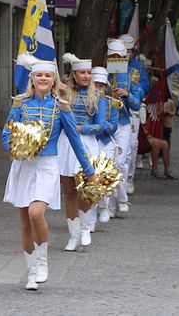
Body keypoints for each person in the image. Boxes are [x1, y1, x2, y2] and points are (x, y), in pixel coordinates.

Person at [3, 55, 96, 291]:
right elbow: (6, 134)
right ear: (32, 79)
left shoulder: (61, 106)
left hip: (47, 166)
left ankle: (43, 261)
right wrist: (16, 146)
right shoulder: (19, 104)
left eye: (47, 75)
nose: (43, 78)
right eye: (38, 75)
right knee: (24, 221)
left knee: (36, 213)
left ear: (53, 79)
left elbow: (75, 141)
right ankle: (31, 272)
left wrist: (89, 170)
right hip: (23, 165)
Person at [57, 54, 106, 250]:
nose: (86, 76)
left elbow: (101, 126)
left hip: (87, 144)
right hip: (65, 145)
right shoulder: (64, 93)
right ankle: (73, 235)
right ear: (73, 74)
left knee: (85, 189)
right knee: (68, 191)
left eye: (88, 73)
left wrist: (79, 129)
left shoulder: (99, 96)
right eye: (82, 73)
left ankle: (86, 228)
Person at [106, 39, 143, 214]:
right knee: (108, 164)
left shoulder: (131, 77)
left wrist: (127, 95)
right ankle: (109, 206)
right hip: (104, 125)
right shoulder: (99, 75)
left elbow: (136, 105)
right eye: (111, 57)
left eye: (118, 57)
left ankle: (121, 199)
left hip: (123, 124)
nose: (115, 60)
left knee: (120, 162)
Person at [117, 34, 150, 196]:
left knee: (131, 145)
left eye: (128, 51)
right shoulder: (111, 65)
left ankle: (128, 178)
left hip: (132, 108)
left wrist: (133, 92)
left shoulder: (138, 66)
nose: (125, 54)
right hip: (113, 111)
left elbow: (145, 85)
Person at [91, 67, 120, 224]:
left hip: (106, 142)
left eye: (101, 86)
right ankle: (91, 210)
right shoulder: (84, 101)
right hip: (90, 142)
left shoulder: (112, 103)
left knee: (105, 176)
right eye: (95, 85)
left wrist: (101, 124)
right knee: (90, 176)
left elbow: (113, 127)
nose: (98, 89)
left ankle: (105, 207)